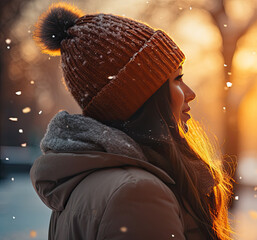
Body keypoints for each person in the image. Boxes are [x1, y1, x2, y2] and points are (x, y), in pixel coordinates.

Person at [30, 3, 233, 240]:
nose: (190, 93)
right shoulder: (138, 193)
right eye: (177, 79)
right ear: (140, 97)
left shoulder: (83, 184)